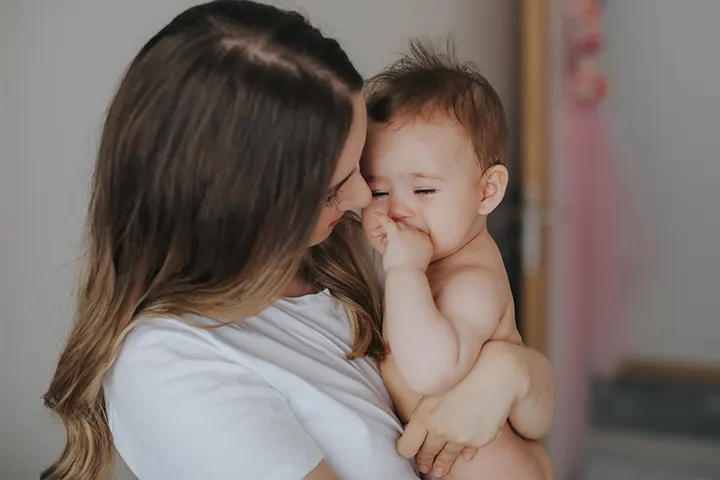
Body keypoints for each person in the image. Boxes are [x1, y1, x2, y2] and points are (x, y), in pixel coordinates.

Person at [40, 1, 555, 479]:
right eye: (338, 187)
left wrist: (509, 374)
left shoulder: (341, 258)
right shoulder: (173, 365)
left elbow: (530, 429)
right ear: (246, 209)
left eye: (359, 168)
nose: (361, 199)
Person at [361, 42, 553, 479]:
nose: (396, 210)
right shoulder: (432, 260)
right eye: (377, 191)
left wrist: (404, 271)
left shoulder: (472, 280)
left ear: (487, 191)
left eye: (424, 190)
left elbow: (430, 373)